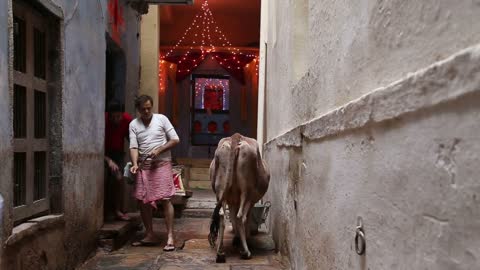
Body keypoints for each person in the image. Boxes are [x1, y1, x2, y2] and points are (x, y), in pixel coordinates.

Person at [129, 95, 180, 251]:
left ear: (152, 106)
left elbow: (175, 139)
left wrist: (158, 150)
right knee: (143, 200)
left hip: (162, 164)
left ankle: (170, 236)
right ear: (138, 109)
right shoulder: (134, 124)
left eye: (149, 108)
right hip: (144, 166)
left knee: (165, 199)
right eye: (143, 109)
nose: (146, 111)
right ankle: (149, 233)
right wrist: (135, 164)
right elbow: (134, 146)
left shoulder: (161, 119)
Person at [105, 101, 133, 221]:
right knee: (105, 181)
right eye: (113, 117)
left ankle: (117, 210)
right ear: (109, 115)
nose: (116, 119)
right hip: (103, 152)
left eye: (118, 117)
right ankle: (107, 211)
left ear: (123, 114)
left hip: (118, 153)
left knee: (119, 179)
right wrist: (108, 160)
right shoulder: (103, 120)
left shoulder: (127, 120)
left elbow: (131, 139)